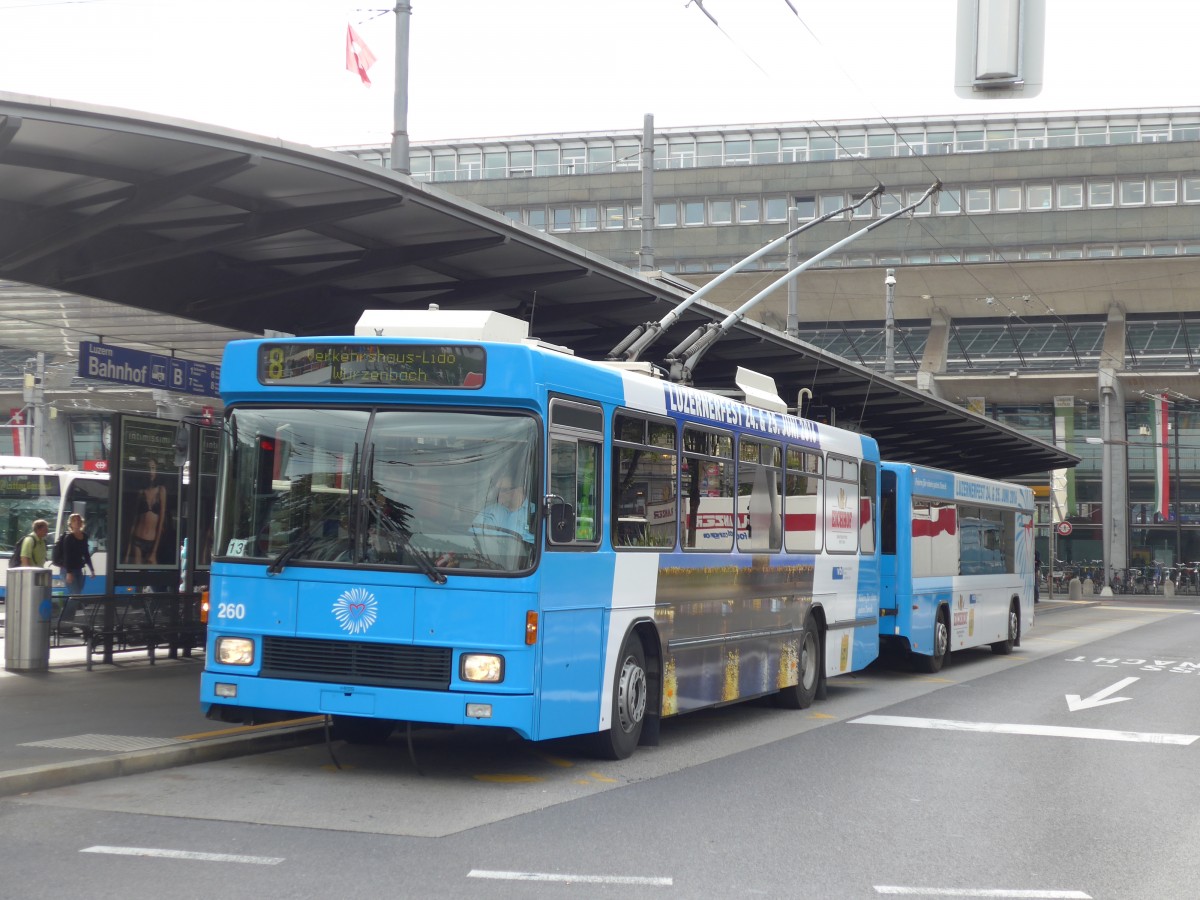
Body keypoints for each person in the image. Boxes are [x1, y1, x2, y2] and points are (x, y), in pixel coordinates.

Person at [126, 458, 168, 564]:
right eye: (148, 468)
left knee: (153, 576)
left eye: (153, 468)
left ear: (156, 470)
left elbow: (161, 522)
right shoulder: (141, 492)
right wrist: (127, 553)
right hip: (137, 539)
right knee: (136, 575)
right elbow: (134, 522)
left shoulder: (161, 490)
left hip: (153, 541)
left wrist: (154, 551)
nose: (150, 471)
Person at [473, 476, 534, 542]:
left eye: (504, 490)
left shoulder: (535, 513)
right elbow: (473, 539)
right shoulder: (488, 512)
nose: (499, 496)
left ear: (519, 490)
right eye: (497, 491)